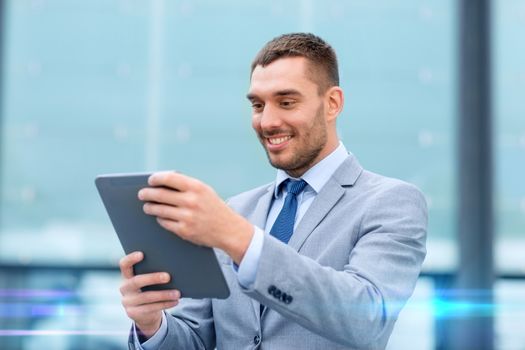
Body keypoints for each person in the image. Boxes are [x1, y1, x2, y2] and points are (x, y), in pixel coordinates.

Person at [119, 33, 427, 350]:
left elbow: (367, 320)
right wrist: (151, 325)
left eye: (286, 102)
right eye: (257, 105)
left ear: (332, 103)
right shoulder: (235, 210)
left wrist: (239, 239)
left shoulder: (391, 202)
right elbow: (194, 339)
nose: (267, 121)